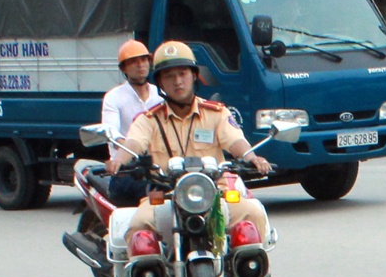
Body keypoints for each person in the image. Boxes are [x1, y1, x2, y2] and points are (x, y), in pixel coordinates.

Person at [107, 41, 274, 256]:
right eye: (169, 76)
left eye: (182, 73)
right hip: (165, 195)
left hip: (214, 193)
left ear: (194, 75)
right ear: (159, 82)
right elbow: (133, 144)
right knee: (138, 226)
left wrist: (253, 157)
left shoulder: (216, 114)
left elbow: (235, 141)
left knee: (254, 213)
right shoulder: (149, 120)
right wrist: (119, 160)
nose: (177, 82)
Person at [96, 40, 160, 208]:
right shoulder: (114, 97)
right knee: (151, 194)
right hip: (128, 170)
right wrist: (131, 150)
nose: (140, 65)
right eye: (133, 61)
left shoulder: (160, 95)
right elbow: (111, 132)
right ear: (123, 68)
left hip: (160, 167)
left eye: (144, 60)